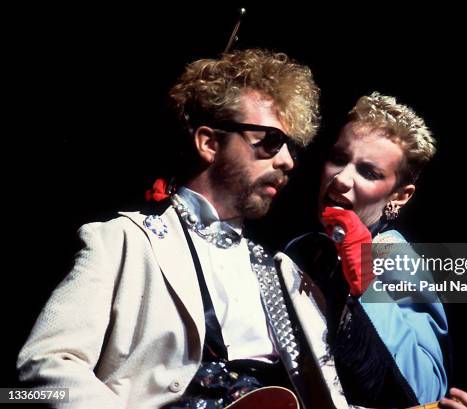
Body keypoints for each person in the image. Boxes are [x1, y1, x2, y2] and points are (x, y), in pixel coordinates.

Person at [17, 49, 349, 409]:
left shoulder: (284, 272)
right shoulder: (122, 241)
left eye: (289, 147)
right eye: (269, 141)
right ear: (208, 143)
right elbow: (40, 371)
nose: (286, 161)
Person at [285, 92, 467, 409]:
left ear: (399, 196)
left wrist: (364, 283)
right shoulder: (303, 249)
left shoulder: (392, 254)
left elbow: (427, 391)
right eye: (339, 159)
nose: (341, 179)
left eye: (369, 173)